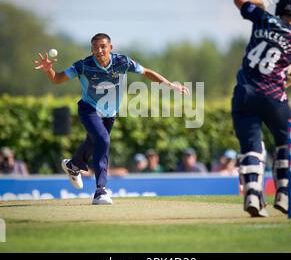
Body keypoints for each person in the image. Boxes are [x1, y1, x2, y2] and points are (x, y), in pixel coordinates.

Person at [34, 33, 189, 205]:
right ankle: (100, 190)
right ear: (91, 50)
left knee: (94, 143)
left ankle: (73, 165)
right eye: (95, 47)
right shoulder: (83, 65)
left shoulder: (122, 62)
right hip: (89, 109)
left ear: (110, 47)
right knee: (103, 139)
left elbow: (146, 72)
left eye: (103, 46)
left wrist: (170, 85)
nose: (99, 50)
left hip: (110, 113)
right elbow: (57, 79)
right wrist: (49, 69)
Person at [231, 0, 291, 217]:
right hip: (273, 98)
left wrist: (261, 2)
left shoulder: (263, 17)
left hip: (244, 94)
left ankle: (252, 195)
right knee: (290, 140)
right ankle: (284, 193)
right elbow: (288, 73)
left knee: (251, 146)